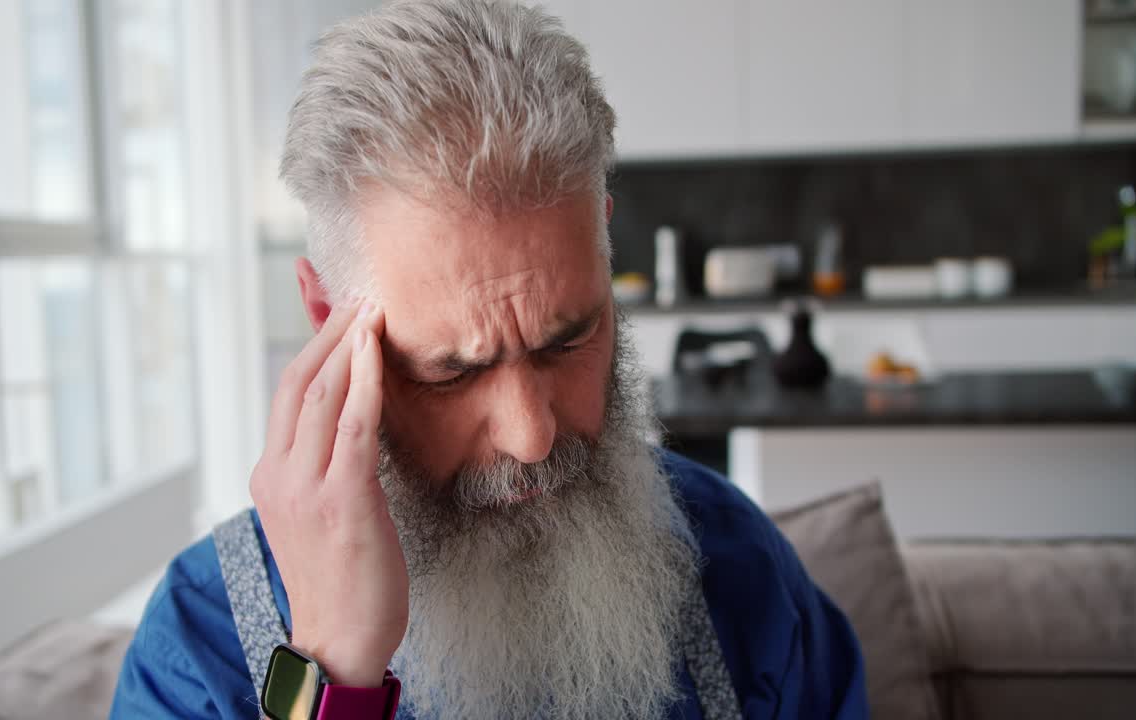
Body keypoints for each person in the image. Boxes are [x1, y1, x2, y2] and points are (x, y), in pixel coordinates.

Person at [110, 1, 867, 717]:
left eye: (566, 340)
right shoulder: (196, 651)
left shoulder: (739, 570)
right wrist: (335, 675)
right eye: (454, 371)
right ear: (326, 324)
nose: (532, 435)